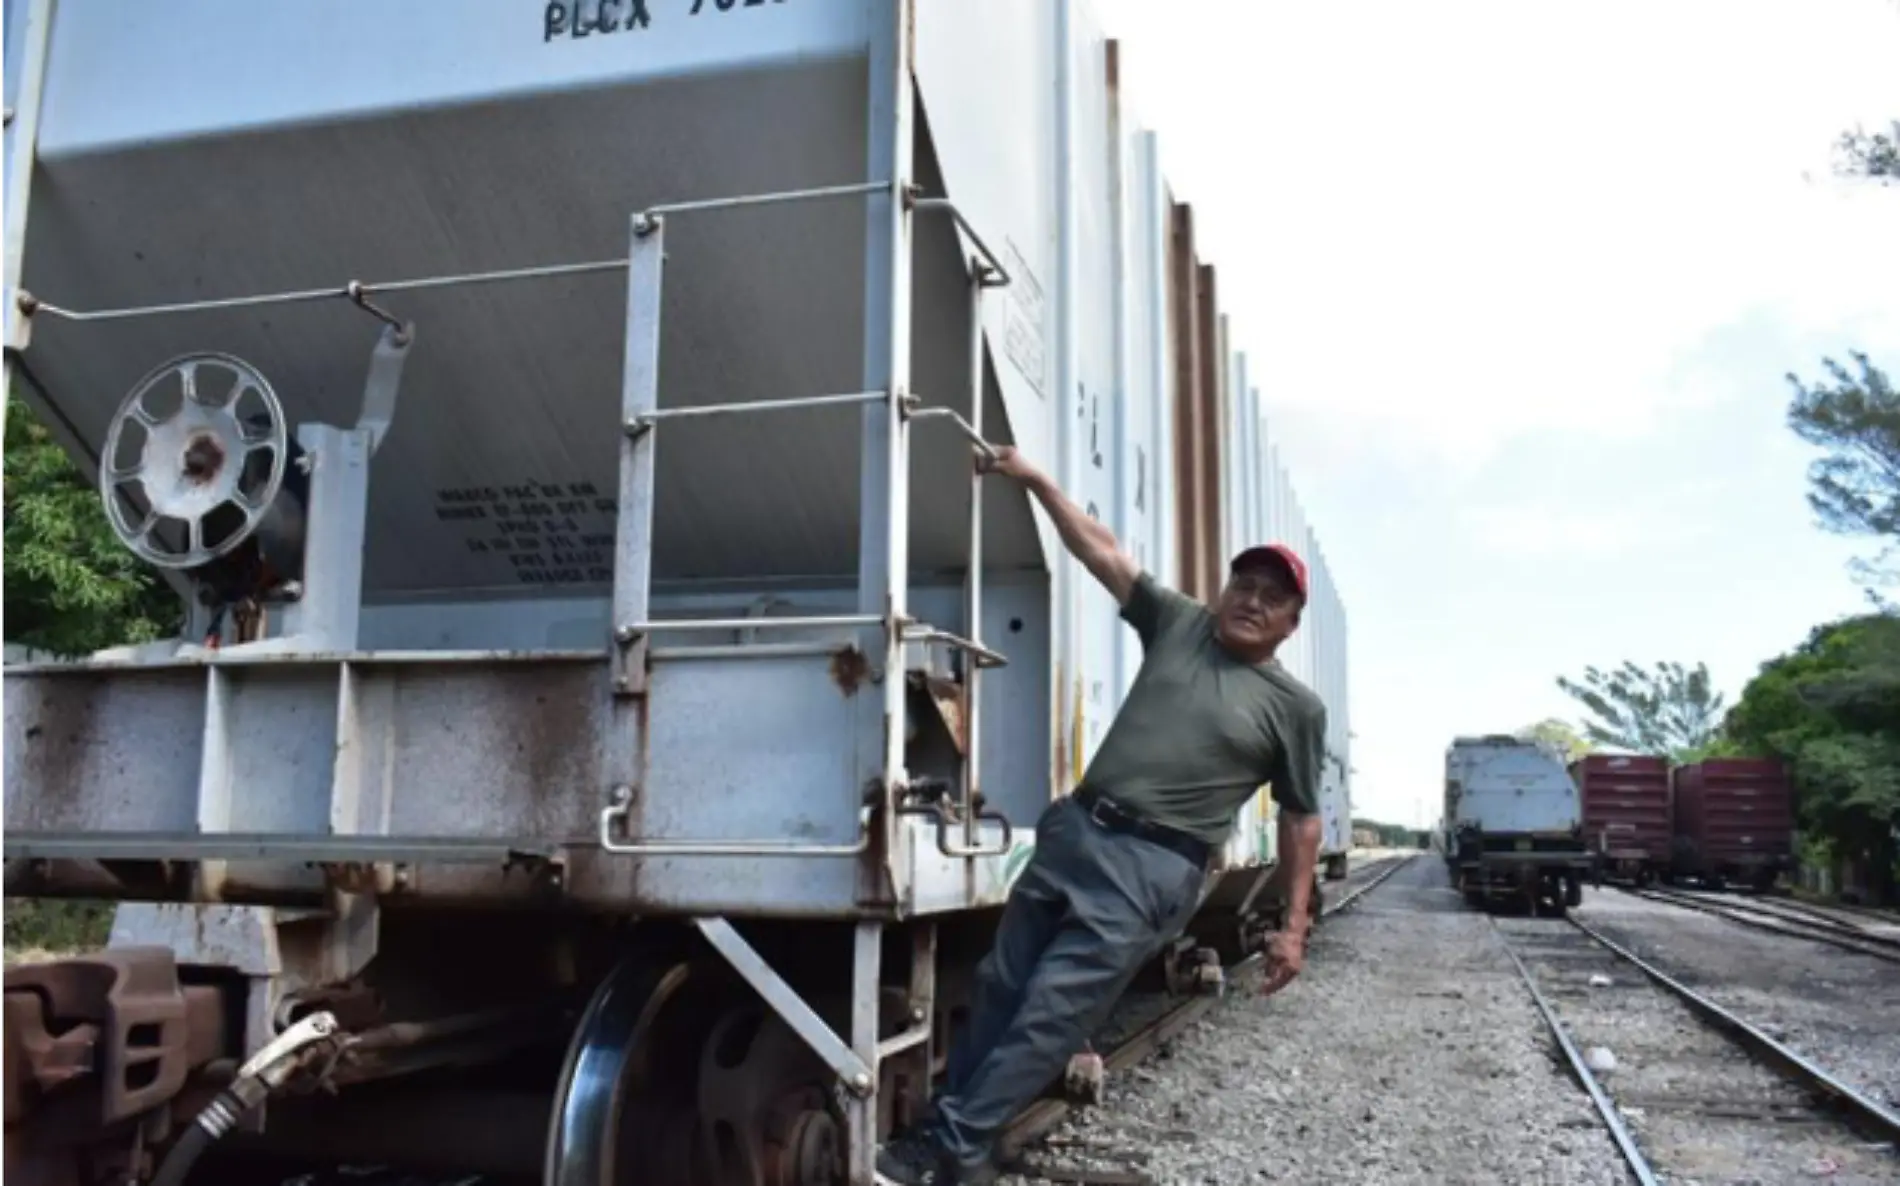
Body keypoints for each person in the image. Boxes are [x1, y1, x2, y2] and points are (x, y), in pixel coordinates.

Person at [877, 445, 1328, 1186]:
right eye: (1242, 584)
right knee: (999, 982)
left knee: (1051, 1011)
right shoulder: (1181, 623)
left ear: (1290, 623)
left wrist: (1293, 926)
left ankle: (949, 1145)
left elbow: (1302, 819)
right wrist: (1038, 481)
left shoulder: (1294, 709)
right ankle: (953, 1137)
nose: (1250, 600)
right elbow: (1105, 553)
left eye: (1271, 597)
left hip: (1152, 867)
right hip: (1077, 829)